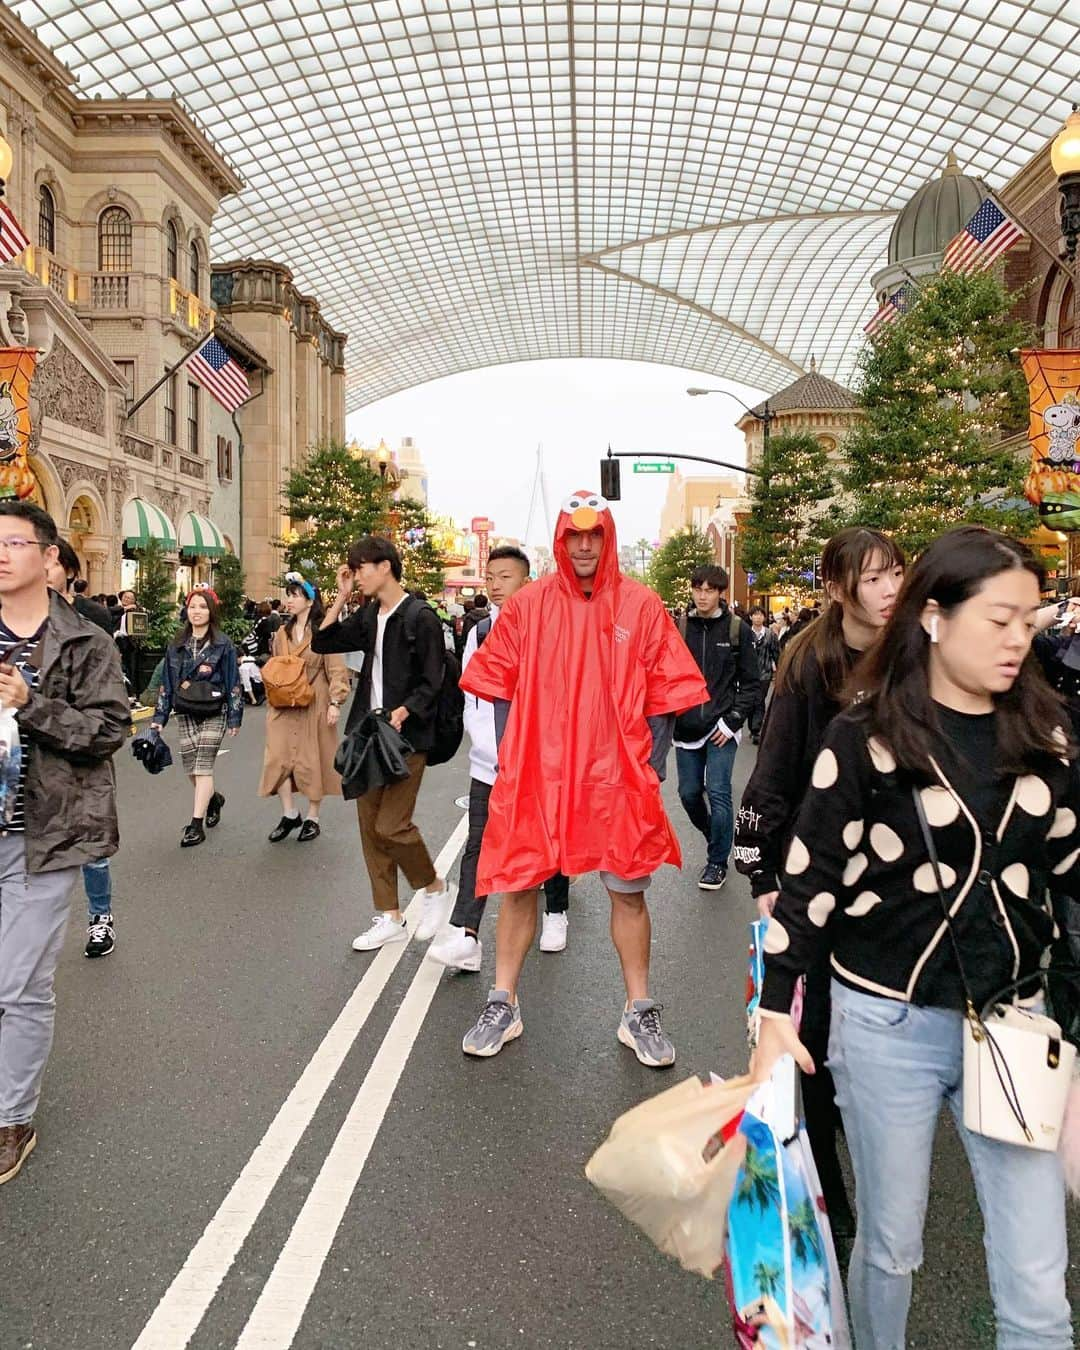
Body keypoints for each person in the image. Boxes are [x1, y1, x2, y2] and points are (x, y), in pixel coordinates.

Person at [753, 525, 1077, 1350]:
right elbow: (807, 894)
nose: (1019, 638)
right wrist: (773, 1018)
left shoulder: (1048, 738)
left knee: (1039, 1280)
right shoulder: (863, 741)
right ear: (933, 617)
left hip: (1014, 1025)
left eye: (1030, 621)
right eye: (1000, 618)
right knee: (893, 1250)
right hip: (885, 1026)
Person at [458, 490, 707, 1064]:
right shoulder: (528, 606)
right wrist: (510, 760)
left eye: (596, 534)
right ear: (562, 540)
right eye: (576, 535)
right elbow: (498, 685)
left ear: (609, 537)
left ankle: (638, 1008)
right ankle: (504, 999)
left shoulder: (642, 606)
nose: (587, 544)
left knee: (628, 892)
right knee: (519, 883)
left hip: (615, 776)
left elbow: (665, 695)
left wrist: (649, 765)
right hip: (538, 774)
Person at [735, 526, 904, 1245]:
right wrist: (765, 871)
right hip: (824, 871)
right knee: (820, 1044)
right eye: (872, 578)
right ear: (836, 588)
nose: (890, 588)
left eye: (897, 572)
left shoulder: (921, 653)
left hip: (901, 877)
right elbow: (775, 768)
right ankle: (833, 1202)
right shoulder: (811, 663)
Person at [0, 502, 128, 1186]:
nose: (0, 553)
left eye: (13, 541)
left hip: (44, 836)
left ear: (48, 557)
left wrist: (30, 703)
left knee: (16, 984)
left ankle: (11, 1116)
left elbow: (108, 732)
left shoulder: (86, 642)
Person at [428, 546, 571, 972]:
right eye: (490, 577)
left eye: (504, 577)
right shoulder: (481, 630)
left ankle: (556, 910)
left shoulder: (551, 629)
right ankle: (467, 936)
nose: (494, 584)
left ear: (526, 582)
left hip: (541, 762)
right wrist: (485, 744)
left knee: (548, 839)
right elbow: (475, 693)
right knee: (479, 842)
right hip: (489, 762)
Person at [311, 535, 455, 950]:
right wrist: (339, 597)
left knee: (392, 825)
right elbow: (324, 642)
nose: (356, 576)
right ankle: (389, 915)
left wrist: (404, 710)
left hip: (408, 737)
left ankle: (434, 887)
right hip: (369, 735)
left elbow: (433, 682)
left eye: (360, 569)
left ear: (385, 567)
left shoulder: (420, 616)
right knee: (370, 829)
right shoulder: (372, 613)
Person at [43, 539, 121, 958]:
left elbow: (107, 713)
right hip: (30, 765)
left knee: (90, 849)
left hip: (81, 754)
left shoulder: (92, 621)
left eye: (52, 565)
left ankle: (100, 917)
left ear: (70, 571)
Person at [673, 564, 760, 891]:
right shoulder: (680, 628)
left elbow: (752, 684)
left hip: (723, 724)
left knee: (720, 791)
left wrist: (734, 719)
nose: (703, 595)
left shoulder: (737, 629)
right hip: (687, 726)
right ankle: (716, 835)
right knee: (689, 793)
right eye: (698, 589)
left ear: (721, 592)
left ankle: (716, 862)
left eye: (710, 590)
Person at [259, 575, 350, 842]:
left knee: (313, 760)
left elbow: (336, 669)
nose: (289, 600)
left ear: (310, 600)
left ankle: (312, 816)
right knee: (278, 758)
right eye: (288, 595)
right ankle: (289, 813)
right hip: (283, 703)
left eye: (295, 595)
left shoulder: (323, 632)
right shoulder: (280, 634)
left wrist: (336, 701)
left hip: (315, 700)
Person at [151, 589, 242, 847]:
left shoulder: (223, 644)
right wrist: (159, 717)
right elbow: (166, 684)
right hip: (186, 709)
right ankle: (213, 799)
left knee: (203, 766)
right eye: (193, 607)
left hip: (215, 708)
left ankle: (195, 824)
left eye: (203, 607)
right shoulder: (177, 645)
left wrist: (234, 716)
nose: (197, 611)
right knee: (191, 768)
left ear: (211, 611)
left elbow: (233, 681)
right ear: (187, 610)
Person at [746, 605, 779, 744]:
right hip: (748, 674)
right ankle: (752, 725)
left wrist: (779, 669)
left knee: (759, 700)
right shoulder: (746, 633)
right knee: (751, 702)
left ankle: (756, 729)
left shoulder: (770, 634)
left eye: (760, 615)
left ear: (764, 618)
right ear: (751, 617)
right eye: (755, 614)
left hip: (765, 673)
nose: (758, 617)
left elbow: (776, 653)